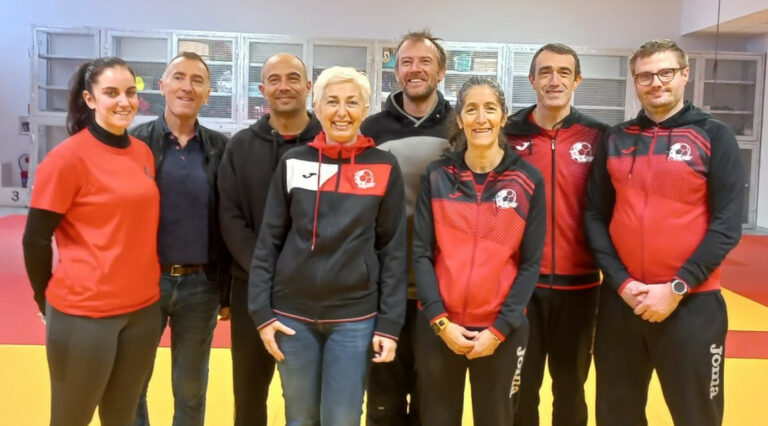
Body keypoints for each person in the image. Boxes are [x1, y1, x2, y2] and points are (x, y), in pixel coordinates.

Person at [584, 39, 743, 426]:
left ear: (684, 75)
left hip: (691, 304)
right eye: (645, 76)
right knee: (616, 416)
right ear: (635, 81)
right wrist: (621, 283)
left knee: (696, 416)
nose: (656, 82)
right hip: (622, 303)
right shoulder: (615, 138)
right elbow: (594, 215)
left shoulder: (714, 136)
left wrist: (677, 287)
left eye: (665, 73)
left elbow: (727, 225)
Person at [248, 66, 406, 426]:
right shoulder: (293, 162)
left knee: (342, 419)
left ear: (365, 110)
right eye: (332, 102)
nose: (342, 112)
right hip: (291, 317)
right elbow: (269, 241)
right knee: (300, 418)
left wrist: (389, 324)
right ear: (317, 108)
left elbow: (393, 249)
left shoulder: (384, 166)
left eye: (352, 102)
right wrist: (261, 313)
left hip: (354, 317)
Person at [22, 57, 161, 426]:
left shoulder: (142, 153)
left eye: (130, 92)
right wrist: (44, 300)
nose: (123, 101)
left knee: (122, 416)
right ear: (89, 98)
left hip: (143, 310)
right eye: (111, 92)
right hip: (84, 314)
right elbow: (35, 239)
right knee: (71, 418)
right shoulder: (66, 159)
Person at [412, 76, 546, 426]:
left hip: (501, 330)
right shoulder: (437, 175)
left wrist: (499, 329)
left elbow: (530, 264)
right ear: (460, 119)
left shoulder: (528, 180)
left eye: (490, 108)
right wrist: (441, 323)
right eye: (471, 109)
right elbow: (421, 254)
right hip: (441, 327)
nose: (481, 118)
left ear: (503, 117)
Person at [503, 43, 607, 426]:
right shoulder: (507, 134)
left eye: (564, 72)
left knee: (571, 388)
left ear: (577, 80)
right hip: (521, 286)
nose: (554, 80)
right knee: (520, 389)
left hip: (580, 286)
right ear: (532, 79)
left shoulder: (599, 136)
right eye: (545, 71)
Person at [218, 52, 322, 425]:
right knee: (248, 396)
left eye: (292, 78)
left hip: (313, 291)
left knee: (307, 400)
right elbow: (230, 217)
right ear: (262, 90)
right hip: (252, 288)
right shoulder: (240, 146)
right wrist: (265, 270)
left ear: (308, 87)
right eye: (274, 79)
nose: (283, 86)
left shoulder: (328, 145)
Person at [129, 51, 231, 426]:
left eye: (197, 80)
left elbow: (231, 220)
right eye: (179, 77)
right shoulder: (134, 144)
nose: (187, 87)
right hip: (144, 283)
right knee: (133, 381)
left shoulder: (222, 148)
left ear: (207, 93)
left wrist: (227, 290)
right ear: (162, 86)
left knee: (190, 388)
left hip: (200, 286)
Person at [360, 30, 453, 426]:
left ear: (441, 70)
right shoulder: (371, 129)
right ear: (396, 70)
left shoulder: (459, 127)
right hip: (385, 288)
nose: (415, 69)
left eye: (425, 61)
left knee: (434, 403)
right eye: (406, 62)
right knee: (384, 401)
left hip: (443, 290)